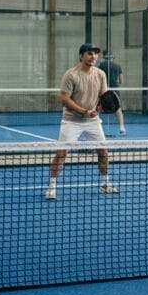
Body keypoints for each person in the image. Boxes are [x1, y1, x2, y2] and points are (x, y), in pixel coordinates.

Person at [45, 42, 119, 200]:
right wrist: (85, 111)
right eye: (89, 53)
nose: (93, 56)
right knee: (61, 153)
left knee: (103, 152)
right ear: (81, 56)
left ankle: (105, 184)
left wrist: (98, 109)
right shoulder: (71, 75)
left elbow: (103, 96)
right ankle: (51, 187)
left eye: (95, 53)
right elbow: (65, 99)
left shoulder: (100, 74)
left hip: (93, 121)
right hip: (72, 120)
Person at [97, 51, 126, 135]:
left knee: (97, 107)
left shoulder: (101, 65)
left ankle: (96, 127)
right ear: (112, 57)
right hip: (114, 89)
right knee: (118, 108)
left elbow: (97, 77)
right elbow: (121, 80)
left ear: (104, 57)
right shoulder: (117, 66)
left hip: (103, 89)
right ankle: (122, 128)